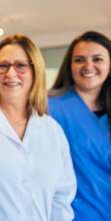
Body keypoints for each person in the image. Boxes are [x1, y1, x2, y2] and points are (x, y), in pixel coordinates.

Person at [0, 34, 77, 221]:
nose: (10, 74)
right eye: (3, 66)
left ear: (35, 70)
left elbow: (62, 197)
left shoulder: (52, 130)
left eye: (20, 65)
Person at [48, 31, 111, 221]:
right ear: (70, 65)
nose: (88, 66)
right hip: (65, 214)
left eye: (97, 59)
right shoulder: (47, 105)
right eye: (79, 59)